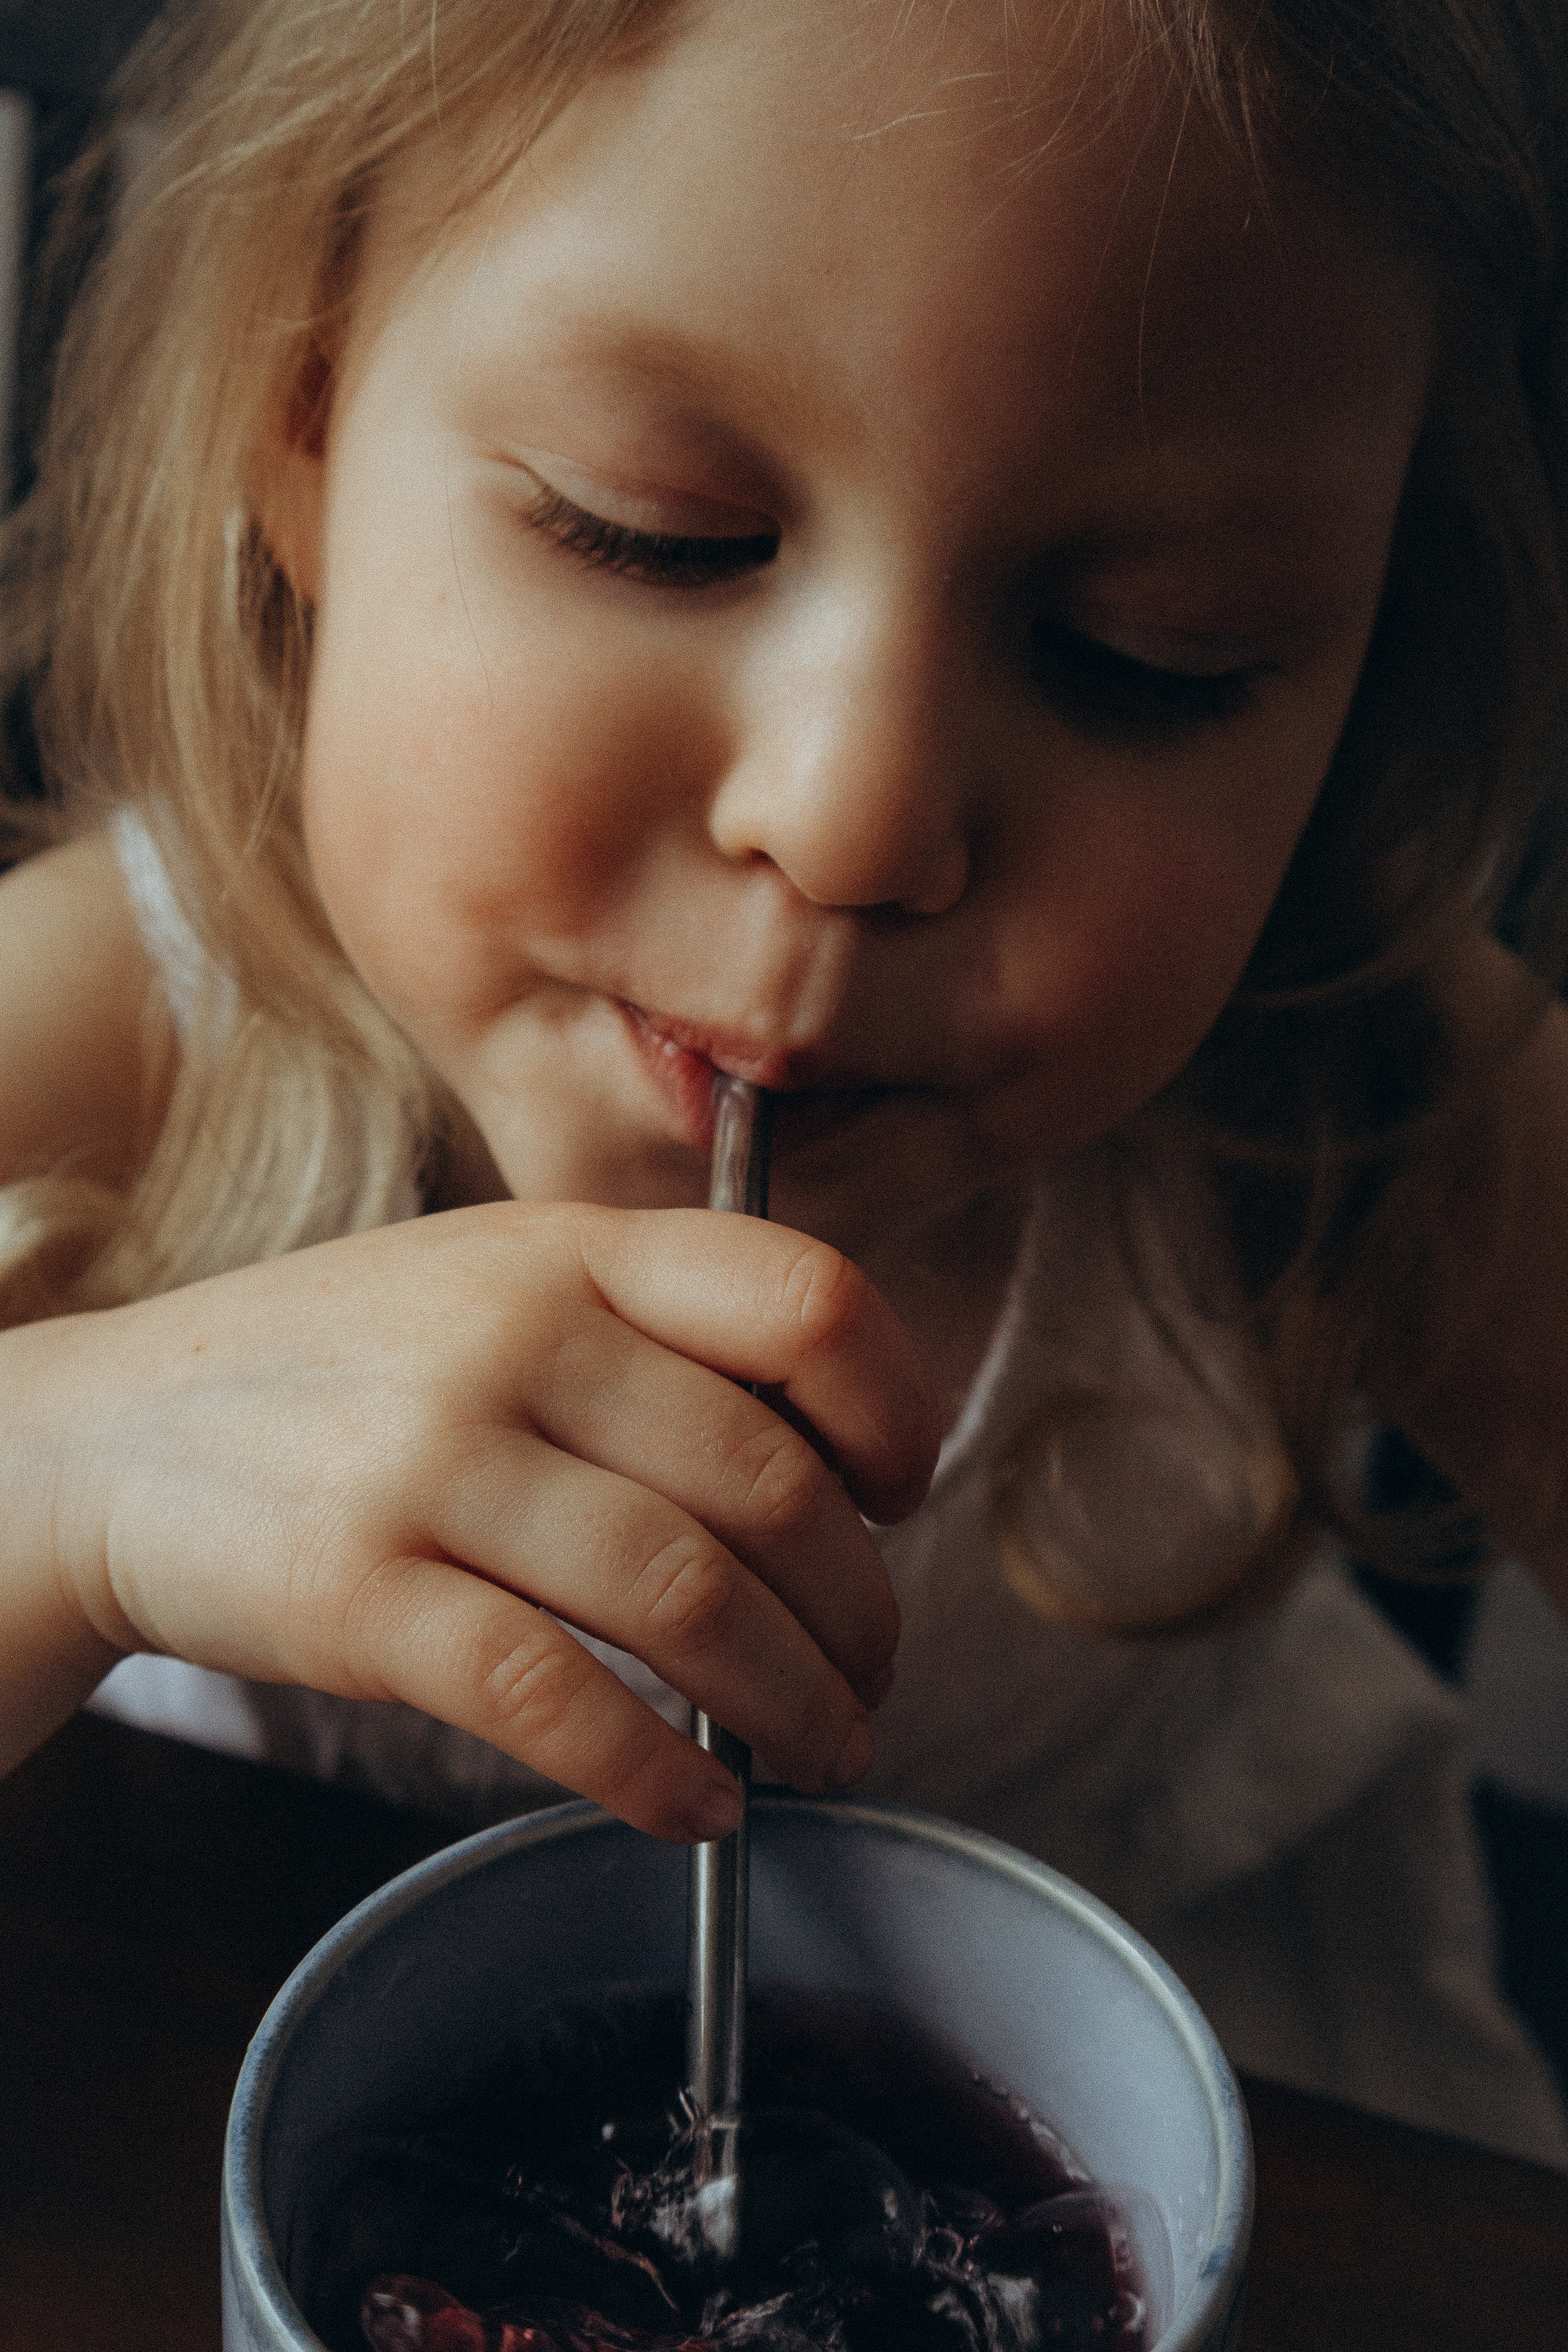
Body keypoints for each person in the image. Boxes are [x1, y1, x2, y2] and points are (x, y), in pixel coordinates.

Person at [1, 0, 1566, 2164]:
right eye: (655, 533)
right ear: (310, 420)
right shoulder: (134, 1023)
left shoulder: (1358, 1089)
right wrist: (74, 1472)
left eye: (1151, 655)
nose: (848, 822)